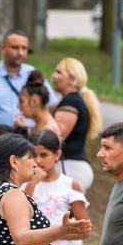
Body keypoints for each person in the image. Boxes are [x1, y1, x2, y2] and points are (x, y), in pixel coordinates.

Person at [0, 30, 54, 162]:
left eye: (24, 48)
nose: (21, 53)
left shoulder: (34, 75)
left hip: (27, 146)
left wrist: (37, 128)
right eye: (15, 47)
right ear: (3, 47)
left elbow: (50, 105)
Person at [50, 57, 102, 192]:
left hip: (70, 168)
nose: (53, 76)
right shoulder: (74, 100)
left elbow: (53, 138)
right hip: (74, 168)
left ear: (71, 79)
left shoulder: (71, 102)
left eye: (59, 72)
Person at [15, 71, 60, 136]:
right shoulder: (35, 128)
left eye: (21, 101)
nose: (18, 106)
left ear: (34, 101)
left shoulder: (49, 131)